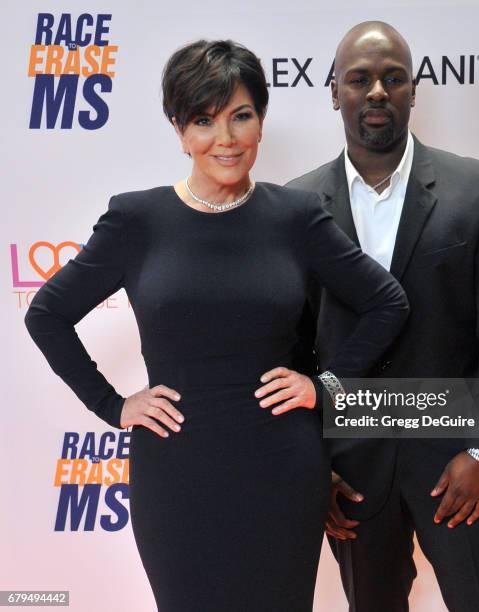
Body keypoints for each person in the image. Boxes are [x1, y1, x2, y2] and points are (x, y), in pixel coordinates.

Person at [23, 39, 409, 611]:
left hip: (282, 467)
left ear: (260, 122)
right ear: (179, 129)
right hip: (177, 471)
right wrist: (111, 405)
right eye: (204, 120)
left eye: (241, 116)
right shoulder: (137, 219)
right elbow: (46, 314)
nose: (225, 139)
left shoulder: (295, 217)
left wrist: (325, 386)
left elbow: (387, 303)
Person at [287, 21, 479, 612]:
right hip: (353, 473)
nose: (376, 92)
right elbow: (291, 352)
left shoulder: (478, 189)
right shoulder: (294, 207)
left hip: (459, 467)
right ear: (333, 90)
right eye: (360, 79)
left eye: (392, 78)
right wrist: (312, 469)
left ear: (414, 91)